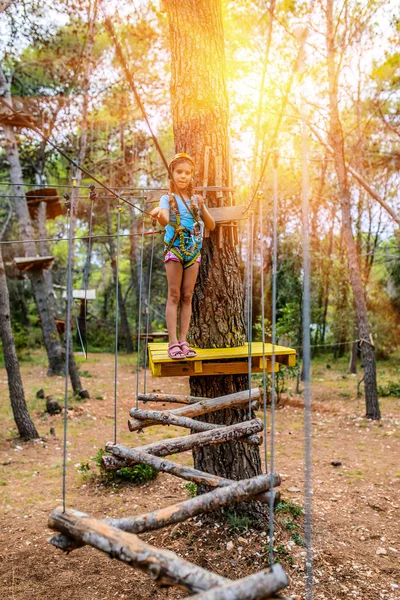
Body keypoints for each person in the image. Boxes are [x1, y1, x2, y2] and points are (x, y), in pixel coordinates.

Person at [150, 153, 216, 359]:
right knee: (174, 295)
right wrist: (159, 213)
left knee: (187, 296)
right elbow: (165, 220)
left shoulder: (196, 200)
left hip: (193, 251)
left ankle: (183, 340)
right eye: (179, 172)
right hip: (175, 249)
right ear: (172, 174)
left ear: (191, 176)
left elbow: (211, 225)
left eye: (187, 173)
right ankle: (172, 343)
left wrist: (202, 206)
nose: (183, 176)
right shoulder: (166, 199)